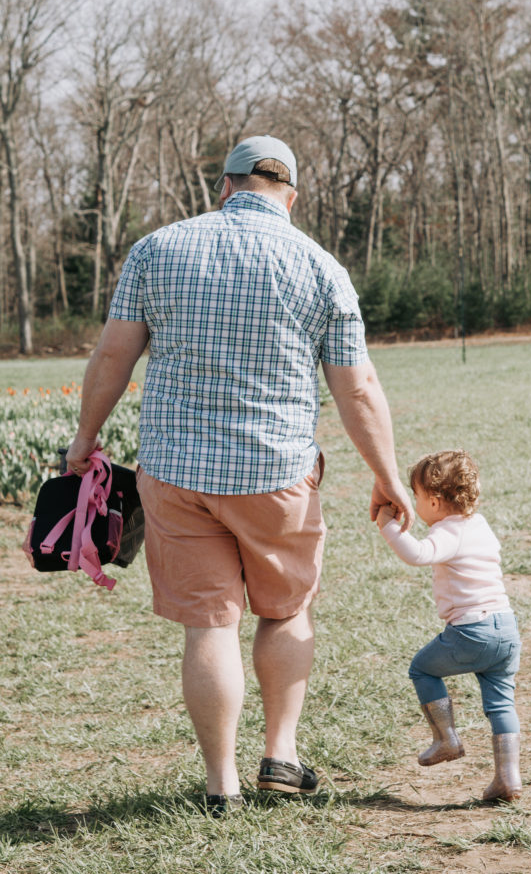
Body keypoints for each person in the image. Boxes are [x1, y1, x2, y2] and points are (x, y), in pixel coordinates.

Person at [66, 135, 413, 813]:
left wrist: (85, 437)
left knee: (210, 625)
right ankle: (280, 756)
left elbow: (113, 356)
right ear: (291, 196)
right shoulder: (319, 266)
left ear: (223, 186)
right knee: (286, 611)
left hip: (174, 474)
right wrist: (388, 474)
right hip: (275, 476)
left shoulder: (157, 250)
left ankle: (220, 785)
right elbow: (358, 389)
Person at [375, 449, 522, 802]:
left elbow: (418, 554)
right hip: (506, 628)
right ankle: (508, 778)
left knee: (422, 669)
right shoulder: (479, 524)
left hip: (472, 631)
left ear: (436, 502)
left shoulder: (448, 531)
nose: (415, 504)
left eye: (417, 498)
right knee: (502, 705)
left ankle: (446, 739)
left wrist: (388, 526)